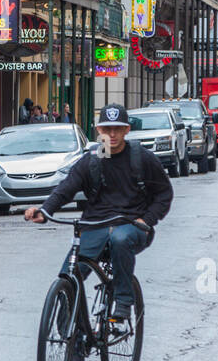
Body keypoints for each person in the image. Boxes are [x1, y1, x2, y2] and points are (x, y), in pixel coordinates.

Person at [24, 103, 173, 326]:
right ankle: (73, 342)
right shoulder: (93, 159)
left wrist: (146, 220)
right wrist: (45, 210)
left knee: (119, 238)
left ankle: (123, 300)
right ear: (99, 130)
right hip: (95, 226)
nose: (112, 134)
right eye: (107, 129)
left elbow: (164, 194)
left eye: (118, 129)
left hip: (132, 225)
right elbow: (67, 188)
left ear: (126, 130)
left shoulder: (140, 157)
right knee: (69, 275)